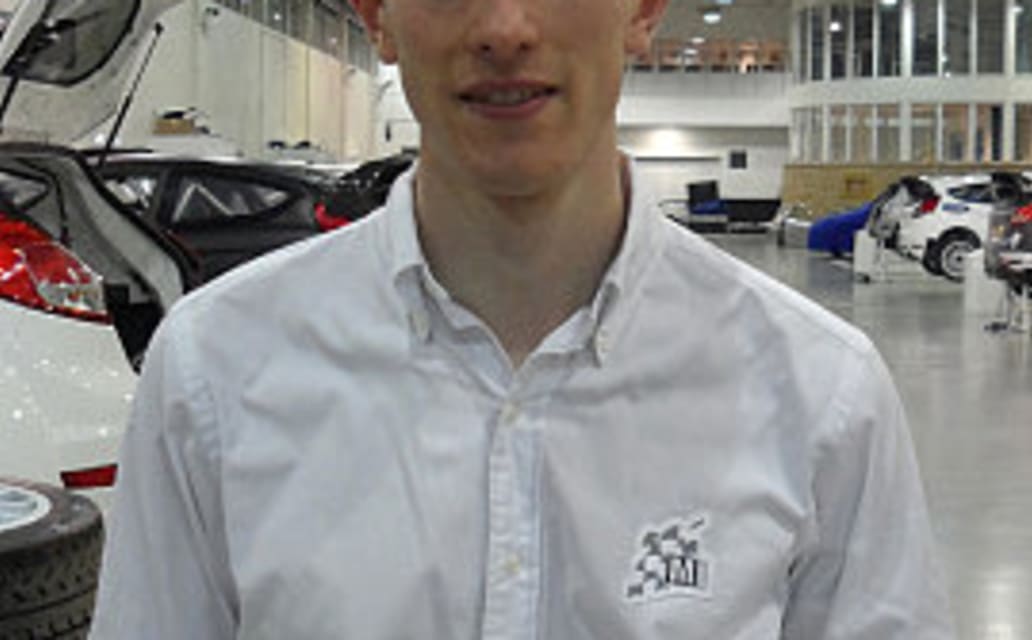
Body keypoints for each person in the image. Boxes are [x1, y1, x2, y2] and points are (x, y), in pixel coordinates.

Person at [90, 0, 955, 637]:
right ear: (376, 14)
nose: (504, 29)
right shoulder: (215, 371)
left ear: (644, 10)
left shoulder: (822, 393)